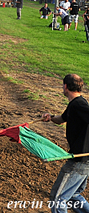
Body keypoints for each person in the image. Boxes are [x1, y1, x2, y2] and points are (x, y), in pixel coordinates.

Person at [42, 74, 89, 213]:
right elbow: (61, 119)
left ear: (65, 86)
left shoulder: (79, 104)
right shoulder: (75, 104)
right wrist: (50, 117)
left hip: (79, 161)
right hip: (83, 160)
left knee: (58, 199)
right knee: (73, 195)